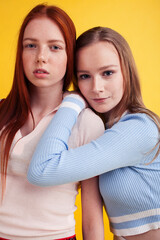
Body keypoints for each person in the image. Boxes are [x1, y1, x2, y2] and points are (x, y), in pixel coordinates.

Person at [28, 26, 160, 240]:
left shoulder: (139, 128)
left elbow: (42, 170)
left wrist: (71, 101)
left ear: (127, 70)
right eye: (85, 76)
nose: (96, 87)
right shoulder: (104, 129)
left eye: (107, 73)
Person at [0, 5, 105, 240]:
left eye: (55, 47)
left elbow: (91, 217)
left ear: (70, 55)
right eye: (31, 45)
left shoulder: (86, 123)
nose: (41, 57)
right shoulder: (2, 112)